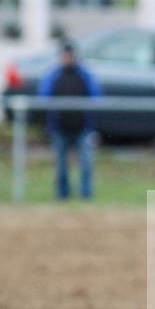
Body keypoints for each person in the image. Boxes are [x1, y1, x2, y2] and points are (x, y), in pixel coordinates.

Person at [38, 41, 102, 200]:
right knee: (61, 167)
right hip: (60, 128)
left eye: (70, 55)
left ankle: (86, 196)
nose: (68, 58)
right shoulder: (54, 75)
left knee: (86, 165)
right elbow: (43, 97)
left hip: (83, 128)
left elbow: (97, 96)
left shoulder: (85, 75)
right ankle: (63, 196)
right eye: (65, 56)